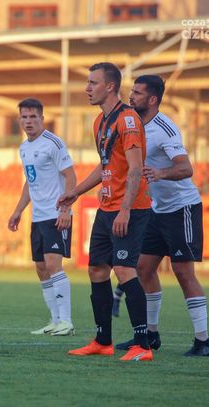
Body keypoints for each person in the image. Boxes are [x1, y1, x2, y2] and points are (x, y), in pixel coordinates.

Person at [57, 62, 153, 361]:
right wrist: (76, 191)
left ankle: (142, 345)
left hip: (130, 208)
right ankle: (102, 341)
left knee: (124, 269)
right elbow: (105, 165)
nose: (87, 88)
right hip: (107, 207)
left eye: (93, 82)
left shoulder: (128, 120)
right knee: (97, 270)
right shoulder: (100, 121)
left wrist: (125, 210)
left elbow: (136, 168)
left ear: (110, 86)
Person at [114, 75, 208, 356]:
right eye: (132, 91)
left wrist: (160, 173)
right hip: (157, 209)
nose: (132, 96)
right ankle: (151, 335)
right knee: (143, 268)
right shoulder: (133, 124)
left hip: (182, 208)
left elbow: (186, 168)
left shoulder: (165, 128)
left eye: (138, 93)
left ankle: (203, 340)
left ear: (153, 99)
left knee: (183, 272)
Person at [8, 98, 76, 336]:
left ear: (42, 119)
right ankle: (55, 320)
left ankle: (66, 321)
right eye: (24, 117)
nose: (28, 121)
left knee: (53, 264)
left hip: (56, 214)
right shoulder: (24, 148)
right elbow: (30, 181)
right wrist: (18, 210)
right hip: (38, 217)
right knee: (41, 267)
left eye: (33, 117)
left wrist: (65, 209)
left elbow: (70, 176)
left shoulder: (53, 143)